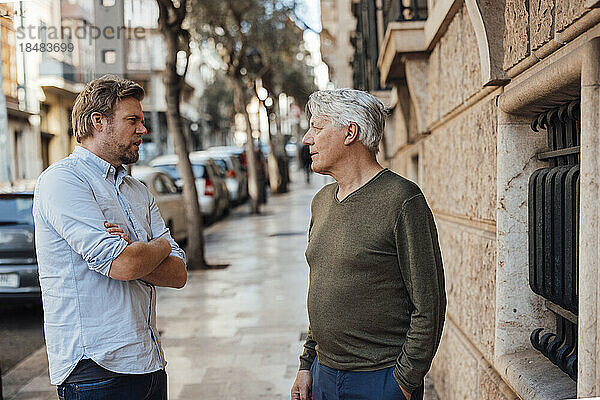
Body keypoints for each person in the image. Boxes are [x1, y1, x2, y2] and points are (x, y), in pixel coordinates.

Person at [33, 75, 187, 400]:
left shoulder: (138, 190)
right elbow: (123, 266)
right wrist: (155, 247)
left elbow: (178, 274)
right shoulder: (63, 181)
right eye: (133, 120)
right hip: (95, 371)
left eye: (142, 121)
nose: (143, 129)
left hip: (149, 362)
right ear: (98, 122)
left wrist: (135, 249)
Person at [290, 89, 446, 400]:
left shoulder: (402, 200)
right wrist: (307, 363)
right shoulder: (321, 202)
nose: (307, 139)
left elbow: (429, 303)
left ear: (350, 132)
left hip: (380, 379)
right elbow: (323, 289)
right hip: (323, 374)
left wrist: (403, 381)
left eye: (317, 128)